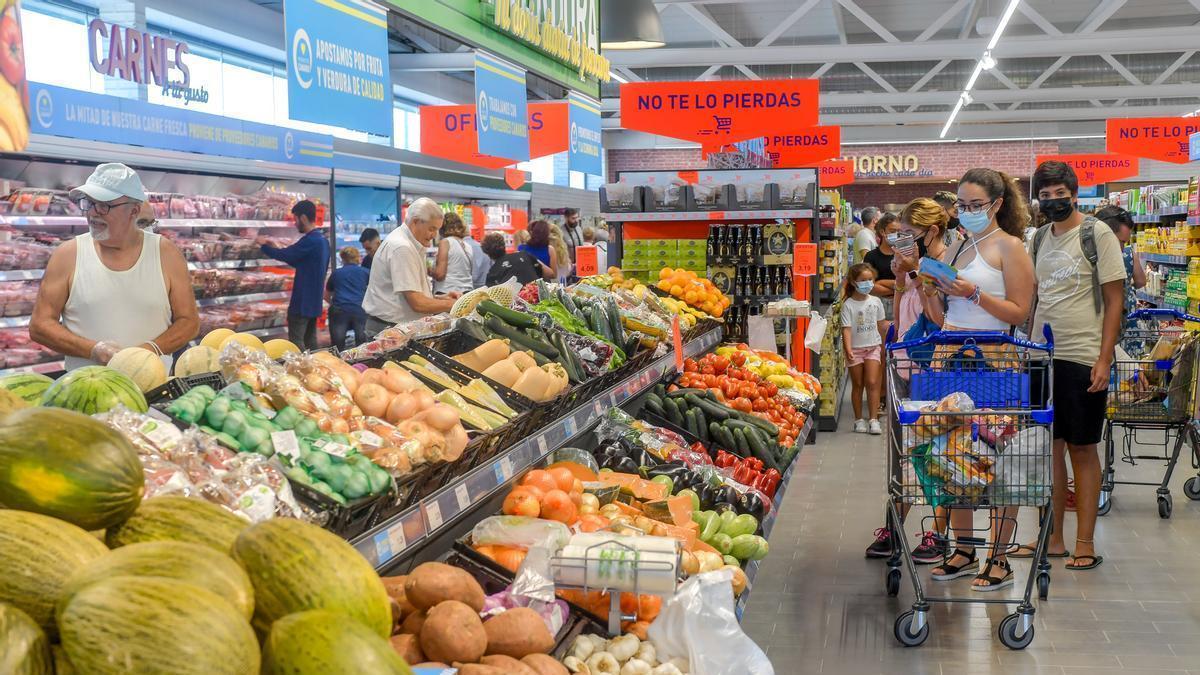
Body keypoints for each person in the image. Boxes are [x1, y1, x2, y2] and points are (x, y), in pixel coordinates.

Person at [920, 167, 1035, 592]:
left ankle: (999, 557)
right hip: (951, 356)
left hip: (995, 359)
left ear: (998, 205)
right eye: (961, 206)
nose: (965, 213)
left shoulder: (1010, 247)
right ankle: (965, 549)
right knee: (951, 453)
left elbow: (1019, 311)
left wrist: (973, 293)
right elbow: (939, 316)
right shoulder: (954, 246)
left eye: (975, 206)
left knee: (998, 455)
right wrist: (927, 286)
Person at [1009, 161, 1125, 572]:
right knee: (1048, 450)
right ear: (1037, 197)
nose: (1053, 201)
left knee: (1082, 448)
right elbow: (1034, 296)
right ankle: (1053, 538)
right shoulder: (1038, 238)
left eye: (1061, 193)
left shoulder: (1097, 234)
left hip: (1082, 355)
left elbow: (1115, 300)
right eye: (1046, 194)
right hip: (1042, 357)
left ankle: (1085, 542)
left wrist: (1104, 358)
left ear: (1074, 194)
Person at [29, 163, 198, 369]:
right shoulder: (68, 255)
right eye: (89, 203)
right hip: (86, 393)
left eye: (104, 205)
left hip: (154, 392)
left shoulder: (165, 253)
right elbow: (40, 326)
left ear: (134, 211)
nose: (93, 213)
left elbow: (188, 322)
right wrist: (92, 349)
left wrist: (150, 350)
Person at [865, 198, 952, 562]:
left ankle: (938, 532)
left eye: (908, 235)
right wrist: (901, 279)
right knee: (904, 453)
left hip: (935, 370)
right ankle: (896, 525)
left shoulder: (947, 262)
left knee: (939, 454)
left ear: (931, 232)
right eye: (897, 235)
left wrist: (920, 272)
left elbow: (942, 319)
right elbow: (902, 319)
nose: (902, 242)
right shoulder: (910, 265)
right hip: (905, 365)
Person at [362, 198, 460, 336]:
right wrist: (456, 304)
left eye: (437, 230)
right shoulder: (402, 247)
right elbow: (418, 304)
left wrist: (442, 298)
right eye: (431, 229)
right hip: (388, 330)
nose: (434, 236)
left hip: (392, 327)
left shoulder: (408, 243)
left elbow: (407, 296)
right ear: (415, 222)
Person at [259, 200, 330, 351]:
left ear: (303, 218)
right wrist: (276, 248)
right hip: (314, 302)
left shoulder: (310, 240)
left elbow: (287, 255)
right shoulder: (322, 241)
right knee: (311, 342)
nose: (295, 223)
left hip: (302, 303)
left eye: (295, 219)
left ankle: (299, 370)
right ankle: (315, 369)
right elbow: (301, 261)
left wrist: (263, 246)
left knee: (295, 344)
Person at [841, 263, 888, 436]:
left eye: (870, 280)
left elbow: (881, 325)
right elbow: (845, 328)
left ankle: (874, 419)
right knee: (858, 384)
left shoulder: (876, 302)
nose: (868, 283)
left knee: (873, 382)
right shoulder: (848, 305)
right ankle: (858, 419)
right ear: (853, 282)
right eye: (863, 280)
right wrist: (847, 348)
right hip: (855, 349)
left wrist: (884, 347)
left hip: (873, 347)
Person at [1096, 204, 1146, 323]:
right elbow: (1141, 281)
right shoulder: (1129, 255)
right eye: (1121, 242)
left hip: (1124, 325)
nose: (1122, 249)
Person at [325, 247, 370, 350]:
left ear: (342, 259)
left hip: (339, 310)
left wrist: (335, 304)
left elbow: (326, 296)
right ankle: (361, 364)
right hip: (360, 309)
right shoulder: (365, 272)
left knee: (337, 346)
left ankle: (338, 363)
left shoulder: (336, 273)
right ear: (358, 258)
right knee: (362, 345)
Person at [864, 212, 901, 319]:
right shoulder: (871, 256)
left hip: (900, 304)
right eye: (893, 231)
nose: (897, 235)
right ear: (882, 232)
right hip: (877, 305)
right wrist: (898, 288)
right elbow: (869, 286)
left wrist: (881, 282)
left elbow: (909, 284)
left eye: (899, 232)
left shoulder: (903, 256)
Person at [482, 232, 552, 286]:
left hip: (515, 303)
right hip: (537, 298)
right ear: (504, 245)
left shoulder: (493, 273)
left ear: (487, 253)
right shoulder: (524, 255)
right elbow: (547, 273)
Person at [432, 212, 476, 295]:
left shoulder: (446, 242)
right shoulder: (468, 246)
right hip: (467, 293)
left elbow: (440, 275)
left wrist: (428, 270)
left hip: (448, 292)